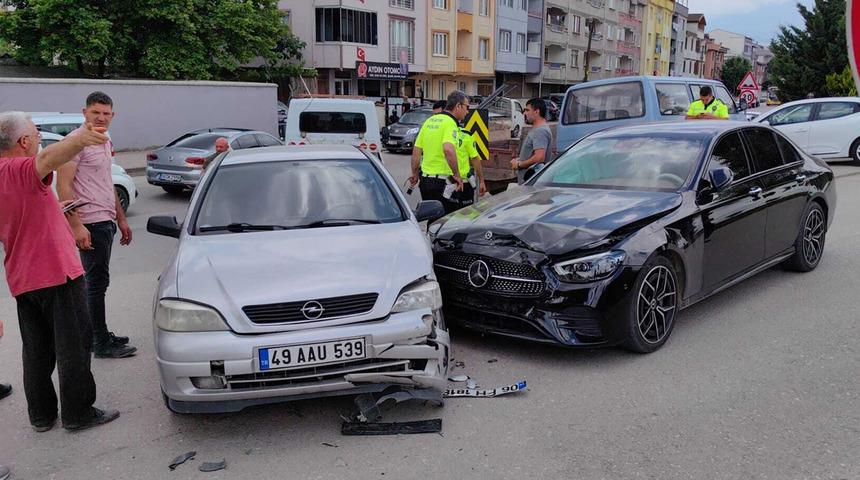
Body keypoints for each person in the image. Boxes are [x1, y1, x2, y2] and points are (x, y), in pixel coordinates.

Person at [0, 111, 121, 432]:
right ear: (23, 142)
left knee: (37, 351)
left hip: (22, 277)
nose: (39, 140)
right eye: (36, 135)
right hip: (56, 274)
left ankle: (41, 416)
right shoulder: (19, 169)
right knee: (74, 345)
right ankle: (78, 413)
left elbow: (21, 215)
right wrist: (80, 137)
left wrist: (56, 211)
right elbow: (49, 160)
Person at [57, 92, 137, 359]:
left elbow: (106, 182)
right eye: (95, 113)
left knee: (98, 282)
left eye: (106, 113)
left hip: (106, 220)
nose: (101, 117)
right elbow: (63, 187)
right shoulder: (75, 143)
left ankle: (97, 335)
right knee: (95, 284)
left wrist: (121, 218)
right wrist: (77, 226)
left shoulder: (103, 139)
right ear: (84, 112)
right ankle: (99, 342)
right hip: (90, 222)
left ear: (112, 115)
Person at [409, 91, 471, 213]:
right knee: (446, 220)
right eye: (466, 107)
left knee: (431, 217)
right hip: (443, 182)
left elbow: (416, 151)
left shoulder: (429, 121)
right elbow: (448, 149)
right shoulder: (450, 123)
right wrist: (457, 175)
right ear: (458, 106)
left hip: (425, 181)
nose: (467, 111)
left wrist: (415, 173)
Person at [511, 98, 553, 184]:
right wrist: (519, 160)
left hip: (532, 184)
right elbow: (533, 155)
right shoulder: (537, 129)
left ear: (536, 112)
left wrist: (519, 164)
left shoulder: (540, 131)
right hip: (530, 183)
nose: (524, 113)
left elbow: (539, 158)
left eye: (527, 110)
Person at [455, 125, 488, 208]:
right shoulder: (465, 135)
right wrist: (481, 180)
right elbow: (474, 158)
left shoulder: (437, 133)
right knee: (466, 213)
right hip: (463, 181)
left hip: (444, 181)